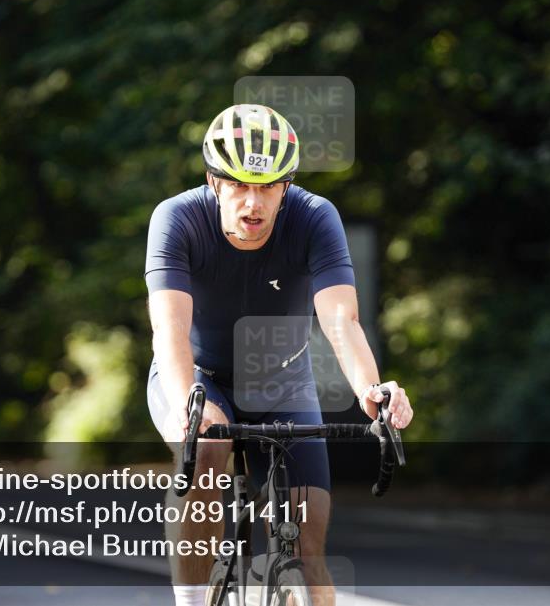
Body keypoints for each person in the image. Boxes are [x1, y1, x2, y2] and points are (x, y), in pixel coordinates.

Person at [145, 104, 414, 606]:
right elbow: (170, 330)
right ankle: (190, 599)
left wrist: (371, 390)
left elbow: (341, 321)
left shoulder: (314, 218)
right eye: (240, 185)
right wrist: (189, 404)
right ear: (213, 181)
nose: (254, 203)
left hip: (282, 380)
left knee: (309, 561)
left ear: (286, 187)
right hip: (198, 374)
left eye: (268, 186)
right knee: (206, 448)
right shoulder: (177, 218)